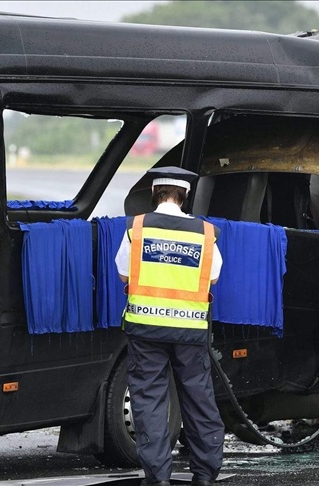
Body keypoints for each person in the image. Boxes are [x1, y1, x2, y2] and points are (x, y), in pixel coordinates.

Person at [115, 166, 225, 486]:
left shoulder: (137, 227)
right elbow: (213, 276)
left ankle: (157, 476)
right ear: (186, 196)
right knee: (198, 399)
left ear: (154, 193)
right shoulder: (205, 232)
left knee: (148, 400)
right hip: (190, 329)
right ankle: (204, 474)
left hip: (145, 328)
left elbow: (123, 273)